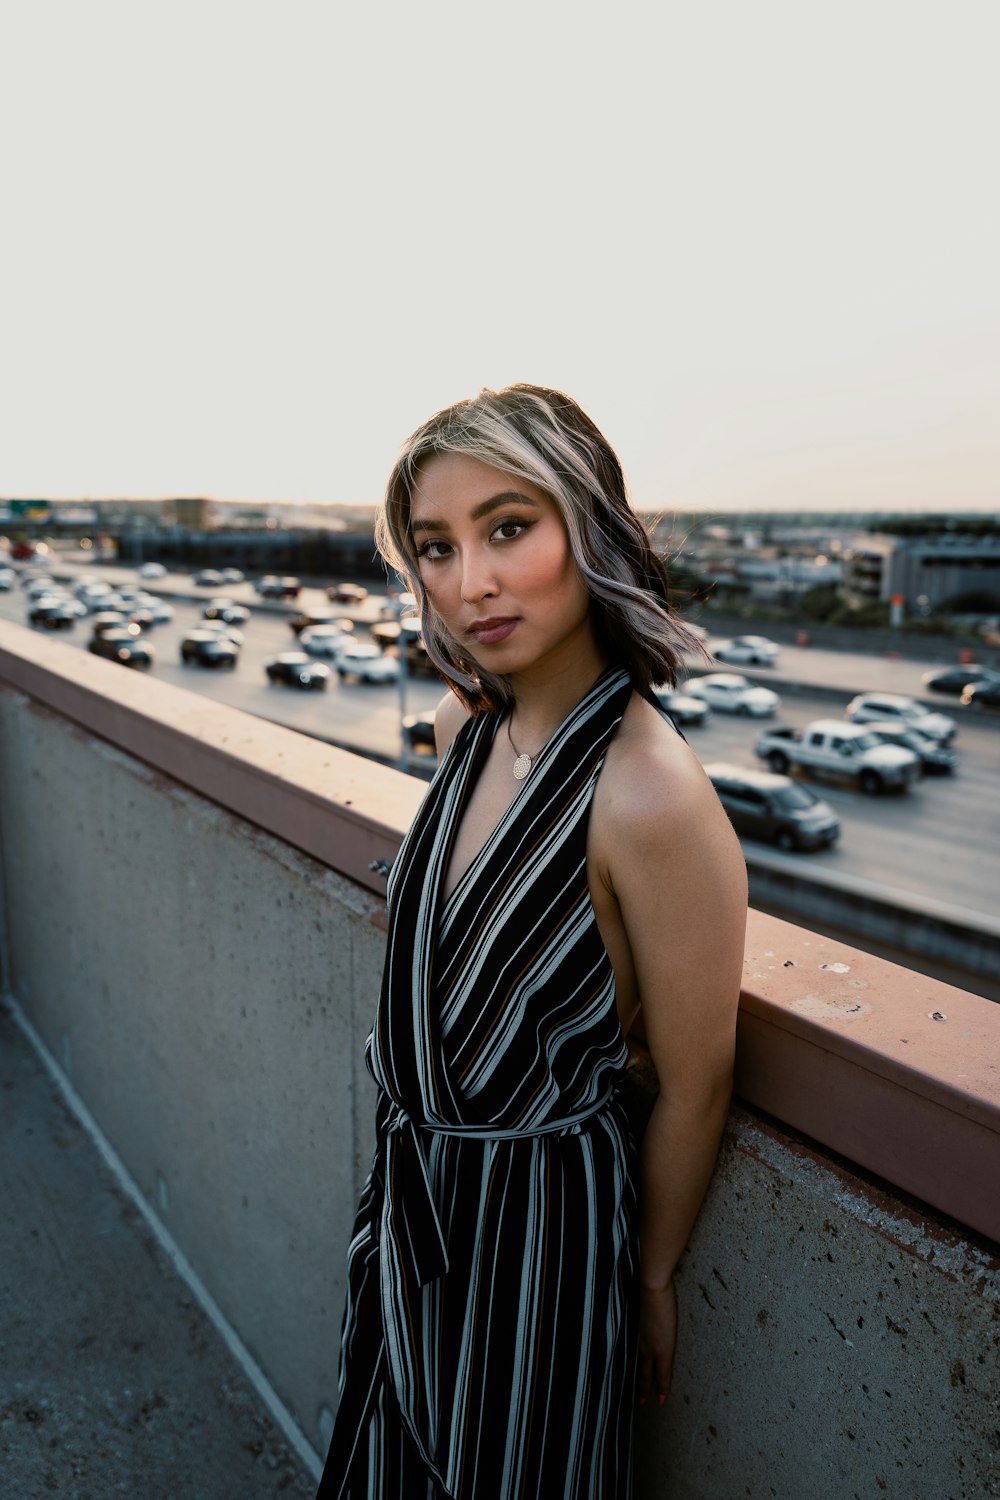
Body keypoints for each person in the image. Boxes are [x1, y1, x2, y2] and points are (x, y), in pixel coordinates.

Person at [316, 384, 747, 1500]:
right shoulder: (470, 726)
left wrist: (648, 1280)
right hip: (414, 1207)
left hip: (535, 1253)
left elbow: (696, 1084)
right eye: (436, 548)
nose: (470, 584)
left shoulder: (649, 797)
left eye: (508, 528)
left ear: (587, 524)